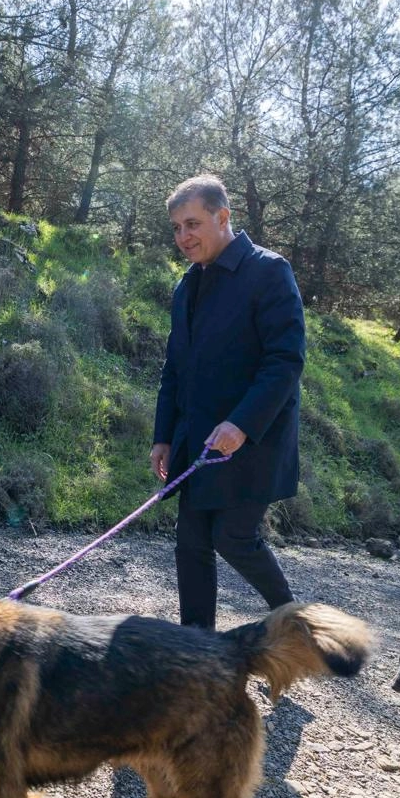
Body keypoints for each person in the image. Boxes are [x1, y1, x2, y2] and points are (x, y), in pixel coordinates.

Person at [150, 174, 305, 630]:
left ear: (223, 217)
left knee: (234, 538)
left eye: (192, 224)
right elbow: (174, 369)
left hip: (253, 440)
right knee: (191, 543)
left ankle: (297, 627)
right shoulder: (186, 287)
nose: (183, 237)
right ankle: (196, 650)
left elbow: (284, 361)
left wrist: (241, 424)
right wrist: (163, 435)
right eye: (176, 228)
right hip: (196, 439)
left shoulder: (269, 271)